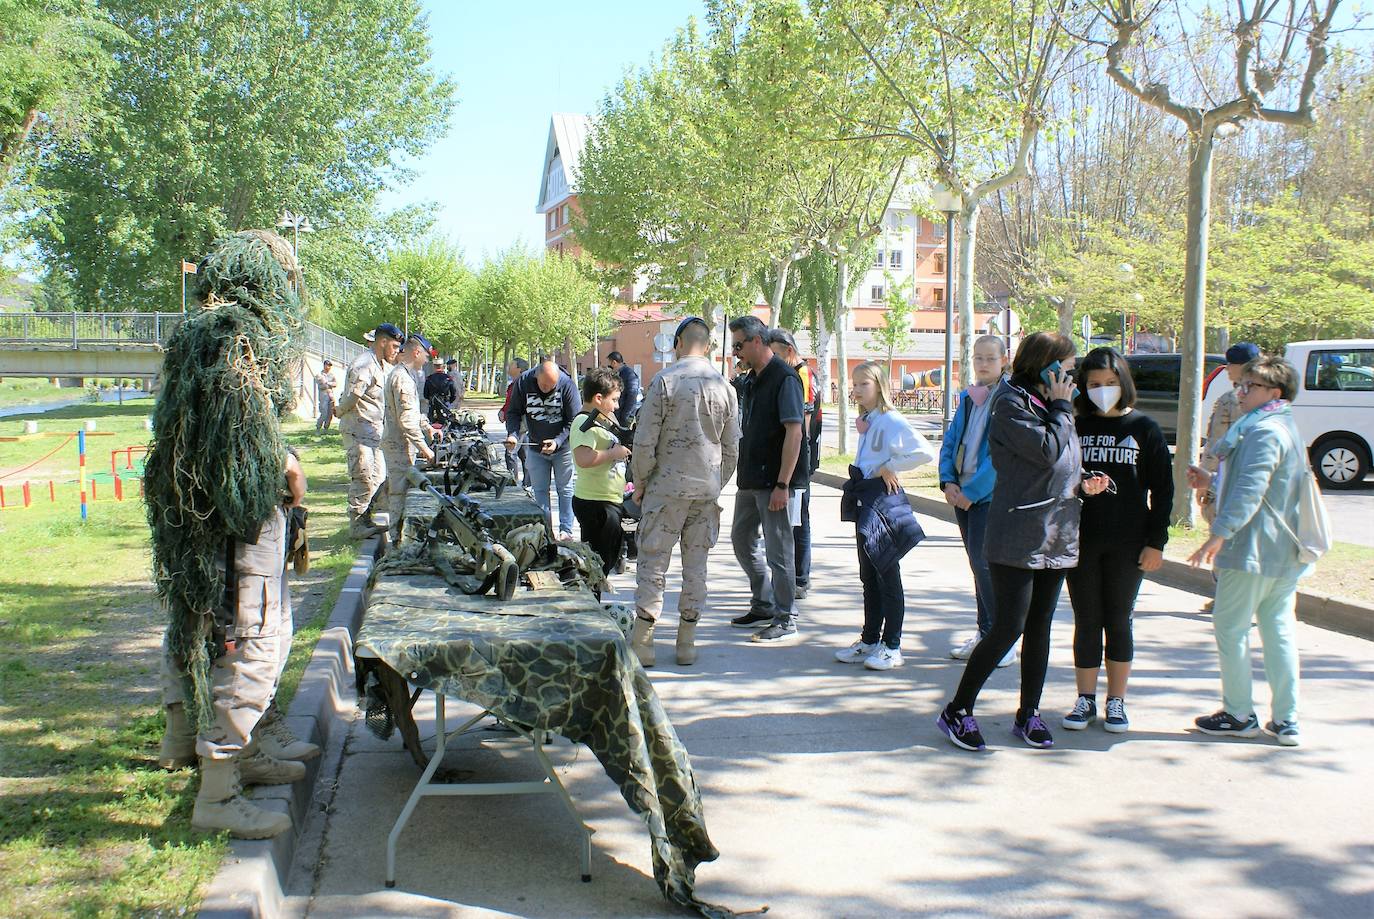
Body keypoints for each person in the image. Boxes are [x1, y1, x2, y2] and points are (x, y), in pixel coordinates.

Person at [147, 229, 318, 839]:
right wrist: (290, 471)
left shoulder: (197, 332)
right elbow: (245, 446)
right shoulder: (238, 339)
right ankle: (218, 792)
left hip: (191, 517)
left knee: (195, 618)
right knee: (253, 637)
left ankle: (193, 741)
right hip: (238, 525)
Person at [937, 331, 1109, 752]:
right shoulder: (1010, 403)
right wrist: (1062, 407)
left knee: (1040, 627)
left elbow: (1061, 463)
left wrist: (1082, 482)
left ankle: (1028, 713)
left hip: (1057, 532)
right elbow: (1047, 450)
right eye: (1066, 367)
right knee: (1007, 628)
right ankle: (957, 710)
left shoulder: (1052, 406)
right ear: (1044, 365)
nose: (1072, 376)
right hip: (1018, 534)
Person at [1186, 356, 1311, 747]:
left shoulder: (1263, 431)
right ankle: (1286, 719)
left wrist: (1217, 534)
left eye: (1249, 387)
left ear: (1274, 393)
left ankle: (1239, 713)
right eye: (1242, 386)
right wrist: (1210, 479)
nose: (1240, 392)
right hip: (1280, 551)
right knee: (1277, 631)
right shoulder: (1277, 424)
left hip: (1253, 549)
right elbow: (1255, 482)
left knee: (1231, 628)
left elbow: (1251, 490)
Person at [1062, 347, 1173, 734]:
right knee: (1086, 619)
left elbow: (1163, 490)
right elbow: (1061, 479)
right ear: (1083, 387)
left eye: (1110, 383)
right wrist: (1082, 488)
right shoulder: (1076, 425)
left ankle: (1117, 700)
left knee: (1118, 619)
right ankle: (1085, 699)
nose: (1103, 390)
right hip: (1082, 541)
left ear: (1123, 383)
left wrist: (1156, 542)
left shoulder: (1144, 428)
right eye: (1094, 384)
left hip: (1129, 541)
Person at [631, 316, 740, 666]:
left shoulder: (664, 381)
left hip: (665, 490)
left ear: (677, 343)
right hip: (704, 493)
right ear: (707, 346)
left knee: (653, 561)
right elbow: (731, 449)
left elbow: (645, 439)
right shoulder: (725, 387)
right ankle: (686, 642)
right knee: (697, 566)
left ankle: (644, 642)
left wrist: (641, 481)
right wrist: (714, 482)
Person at [833, 361, 934, 670]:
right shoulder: (868, 420)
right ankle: (869, 639)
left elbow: (924, 452)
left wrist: (891, 466)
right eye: (855, 383)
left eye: (864, 383)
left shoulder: (891, 420)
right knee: (869, 576)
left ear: (879, 385)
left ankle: (892, 644)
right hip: (864, 497)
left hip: (881, 501)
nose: (858, 389)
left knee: (887, 572)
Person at [727, 315, 806, 644]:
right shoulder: (751, 379)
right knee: (741, 539)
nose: (736, 353)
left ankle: (785, 618)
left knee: (779, 550)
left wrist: (783, 484)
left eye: (739, 345)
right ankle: (763, 604)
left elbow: (794, 432)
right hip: (749, 478)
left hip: (774, 482)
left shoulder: (784, 378)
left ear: (757, 341)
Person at [939, 335, 1013, 666]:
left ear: (1004, 360)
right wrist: (948, 481)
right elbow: (952, 440)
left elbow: (1001, 455)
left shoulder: (1008, 399)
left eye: (989, 358)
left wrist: (972, 493)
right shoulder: (969, 398)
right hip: (962, 493)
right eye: (977, 358)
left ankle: (1003, 638)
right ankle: (986, 633)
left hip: (987, 497)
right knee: (976, 565)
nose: (983, 364)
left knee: (986, 566)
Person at [336, 323, 403, 538]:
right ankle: (357, 525)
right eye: (393, 346)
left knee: (377, 478)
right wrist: (339, 411)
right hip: (359, 432)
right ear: (382, 342)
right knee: (362, 476)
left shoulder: (381, 365)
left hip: (374, 433)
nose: (396, 351)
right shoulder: (364, 365)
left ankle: (366, 519)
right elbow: (353, 396)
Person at [504, 356, 582, 538]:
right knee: (539, 491)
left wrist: (558, 441)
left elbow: (575, 421)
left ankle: (566, 531)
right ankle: (545, 532)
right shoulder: (524, 382)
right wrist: (513, 434)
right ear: (536, 377)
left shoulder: (567, 385)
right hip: (535, 447)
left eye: (552, 386)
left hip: (562, 448)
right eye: (544, 386)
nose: (548, 390)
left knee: (565, 489)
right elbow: (513, 412)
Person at [767, 328, 819, 599]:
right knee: (795, 519)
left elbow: (804, 420)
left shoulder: (801, 374)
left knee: (800, 519)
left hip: (802, 457)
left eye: (776, 354)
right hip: (799, 456)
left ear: (788, 350)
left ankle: (800, 576)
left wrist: (799, 454)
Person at [570, 368, 630, 578]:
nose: (617, 406)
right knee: (595, 566)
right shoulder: (582, 423)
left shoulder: (601, 421)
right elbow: (583, 459)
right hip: (596, 504)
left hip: (606, 501)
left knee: (604, 561)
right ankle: (591, 604)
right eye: (613, 400)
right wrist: (614, 453)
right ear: (598, 398)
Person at [381, 333, 437, 543]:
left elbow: (412, 413)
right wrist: (425, 448)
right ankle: (396, 543)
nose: (426, 361)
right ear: (417, 352)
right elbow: (406, 421)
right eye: (426, 356)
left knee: (402, 492)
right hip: (399, 446)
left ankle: (399, 538)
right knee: (399, 495)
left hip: (402, 445)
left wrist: (427, 427)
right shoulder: (402, 377)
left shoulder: (405, 374)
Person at [1199, 342, 1261, 522]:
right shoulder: (1271, 398)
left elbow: (1216, 445)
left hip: (1229, 483)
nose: (1227, 368)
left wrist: (1205, 482)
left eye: (1231, 363)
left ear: (1244, 366)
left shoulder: (1231, 400)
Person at [500, 358, 529, 485]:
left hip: (519, 424)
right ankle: (527, 483)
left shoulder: (522, 384)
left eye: (511, 364)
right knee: (524, 453)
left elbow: (517, 405)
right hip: (514, 422)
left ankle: (514, 483)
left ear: (519, 368)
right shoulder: (514, 384)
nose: (508, 366)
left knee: (510, 453)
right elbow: (510, 403)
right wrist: (503, 411)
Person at [607, 351, 640, 428]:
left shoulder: (629, 375)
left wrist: (625, 416)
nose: (609, 368)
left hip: (625, 416)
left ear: (614, 363)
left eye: (610, 365)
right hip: (617, 414)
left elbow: (632, 396)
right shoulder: (617, 374)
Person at [423, 357, 458, 424]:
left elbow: (425, 394)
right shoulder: (448, 378)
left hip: (433, 405)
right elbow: (453, 393)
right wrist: (449, 402)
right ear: (443, 366)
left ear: (434, 366)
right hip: (444, 404)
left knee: (431, 423)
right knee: (446, 423)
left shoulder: (429, 378)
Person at [314, 360, 337, 431]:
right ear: (324, 365)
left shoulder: (332, 375)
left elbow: (335, 384)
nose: (328, 367)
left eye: (330, 366)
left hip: (331, 395)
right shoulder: (319, 375)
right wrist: (328, 384)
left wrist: (328, 383)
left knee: (330, 413)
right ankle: (318, 427)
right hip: (323, 395)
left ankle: (326, 429)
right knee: (324, 413)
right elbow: (322, 384)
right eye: (327, 365)